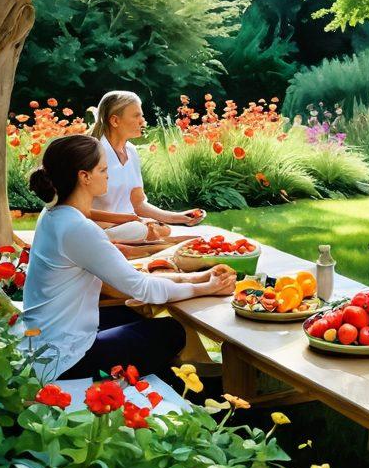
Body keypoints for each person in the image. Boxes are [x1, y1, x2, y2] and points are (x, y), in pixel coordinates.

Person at [22, 134, 236, 381]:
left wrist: (199, 277)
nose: (108, 175)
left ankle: (175, 375)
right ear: (84, 176)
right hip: (64, 359)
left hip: (44, 339)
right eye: (103, 169)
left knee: (136, 314)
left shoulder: (52, 214)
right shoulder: (77, 229)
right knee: (172, 331)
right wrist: (206, 288)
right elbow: (141, 287)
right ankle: (182, 385)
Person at [88, 90, 205, 243]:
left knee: (163, 229)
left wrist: (178, 217)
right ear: (115, 121)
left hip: (128, 227)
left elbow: (138, 204)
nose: (142, 121)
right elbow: (76, 209)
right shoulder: (92, 152)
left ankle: (144, 238)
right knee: (144, 230)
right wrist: (130, 221)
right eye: (136, 116)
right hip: (97, 228)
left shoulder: (131, 151)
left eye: (141, 116)